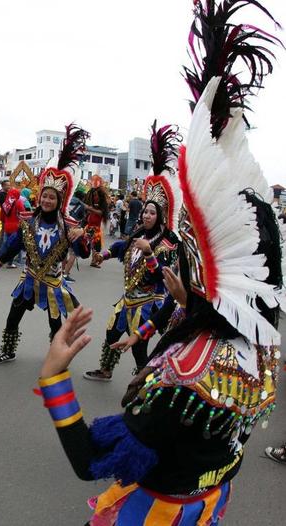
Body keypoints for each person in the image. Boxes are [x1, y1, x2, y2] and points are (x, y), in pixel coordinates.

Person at [37, 5, 282, 520]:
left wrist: (55, 376)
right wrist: (184, 306)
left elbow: (91, 461)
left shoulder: (183, 374)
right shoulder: (262, 347)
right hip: (209, 503)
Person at [0, 124, 92, 364]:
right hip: (29, 279)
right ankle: (8, 351)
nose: (48, 200)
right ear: (39, 196)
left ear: (59, 200)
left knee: (56, 325)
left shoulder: (68, 225)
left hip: (53, 283)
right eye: (45, 195)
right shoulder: (29, 222)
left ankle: (56, 357)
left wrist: (81, 236)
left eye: (53, 197)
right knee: (13, 316)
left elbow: (83, 254)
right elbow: (12, 246)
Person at [84, 121, 181, 381]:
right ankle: (106, 370)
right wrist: (101, 256)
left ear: (160, 217)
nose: (147, 215)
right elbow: (120, 248)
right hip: (127, 300)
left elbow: (160, 277)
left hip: (150, 303)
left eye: (152, 212)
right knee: (111, 335)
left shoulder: (167, 245)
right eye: (146, 211)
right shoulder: (137, 235)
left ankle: (144, 382)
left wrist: (150, 254)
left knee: (139, 346)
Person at [84, 176, 109, 267]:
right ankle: (93, 261)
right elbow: (100, 212)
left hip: (94, 222)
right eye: (94, 195)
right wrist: (91, 209)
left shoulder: (95, 198)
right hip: (93, 223)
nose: (95, 197)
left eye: (96, 195)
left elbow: (100, 212)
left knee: (95, 243)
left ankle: (93, 260)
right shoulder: (92, 196)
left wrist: (90, 209)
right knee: (95, 243)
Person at [0, 187, 25, 268]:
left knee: (6, 244)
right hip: (16, 227)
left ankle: (1, 259)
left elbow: (2, 216)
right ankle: (13, 262)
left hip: (7, 226)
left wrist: (5, 223)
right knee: (17, 243)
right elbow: (23, 214)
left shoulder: (5, 203)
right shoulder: (18, 202)